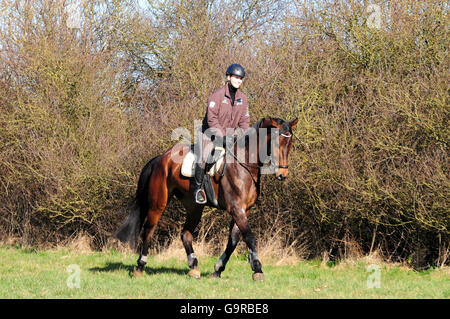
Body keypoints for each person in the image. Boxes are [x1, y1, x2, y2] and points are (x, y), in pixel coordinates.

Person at [193, 64, 250, 204]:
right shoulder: (216, 96)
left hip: (229, 137)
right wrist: (222, 136)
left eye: (241, 78)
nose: (238, 80)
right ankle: (197, 190)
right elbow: (211, 119)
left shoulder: (243, 98)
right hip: (210, 134)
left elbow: (244, 121)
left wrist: (244, 136)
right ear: (228, 77)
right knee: (205, 156)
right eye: (236, 77)